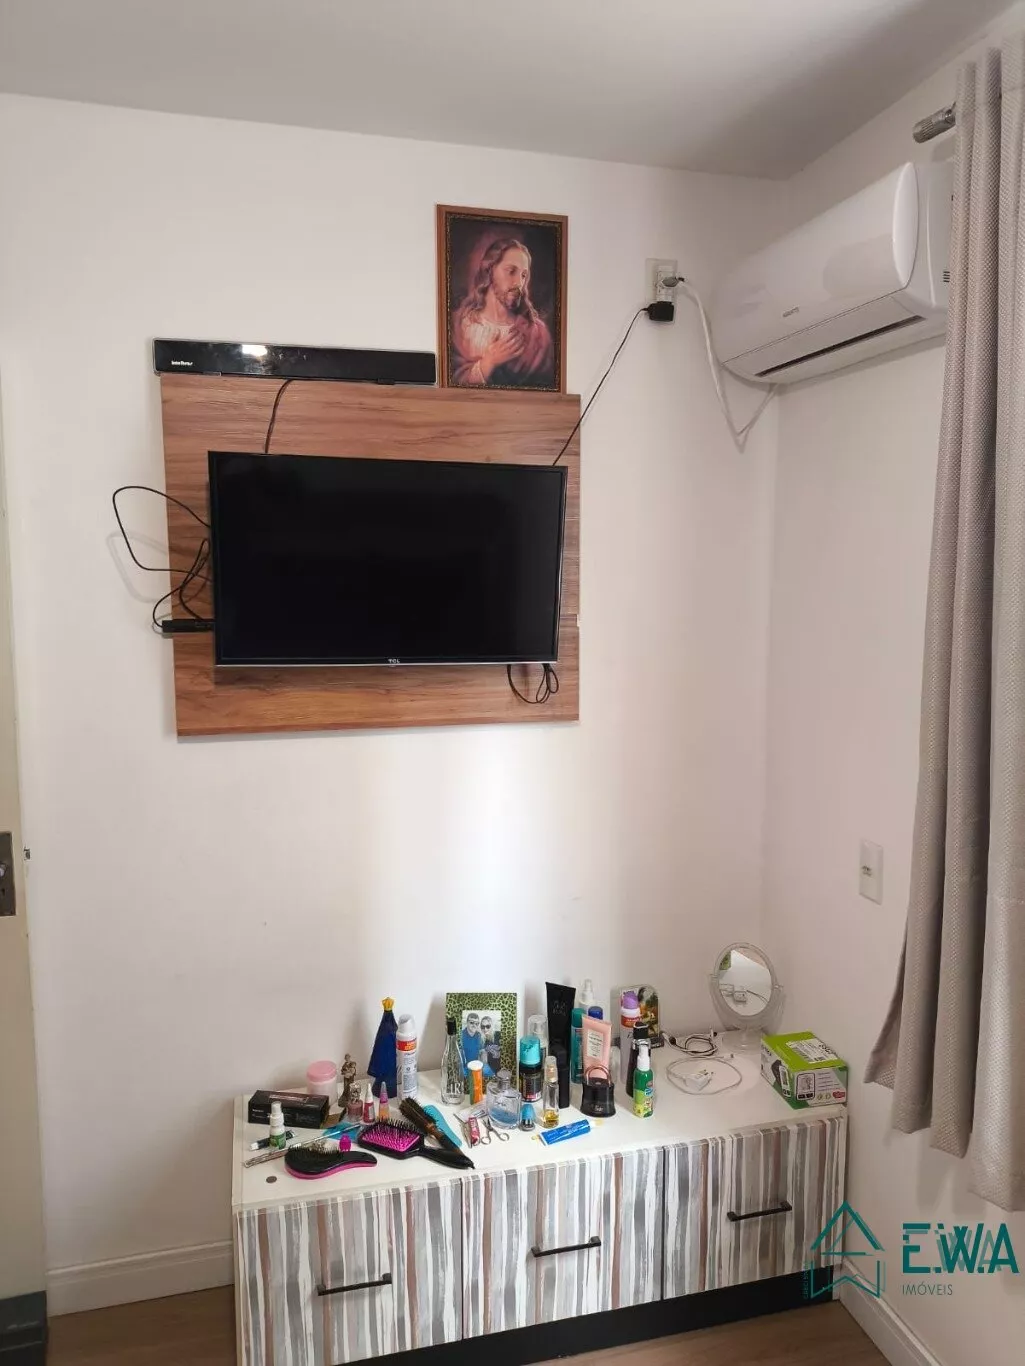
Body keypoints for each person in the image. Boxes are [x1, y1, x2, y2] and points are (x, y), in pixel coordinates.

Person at [451, 238, 554, 387]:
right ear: (489, 270)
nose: (519, 283)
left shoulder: (537, 334)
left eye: (523, 275)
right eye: (511, 271)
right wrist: (488, 362)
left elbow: (544, 389)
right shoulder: (458, 325)